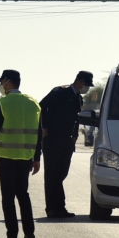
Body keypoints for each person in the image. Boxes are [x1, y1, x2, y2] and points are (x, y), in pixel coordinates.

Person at [0, 69, 42, 238]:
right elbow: (38, 133)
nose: (1, 86)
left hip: (7, 156)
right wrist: (37, 157)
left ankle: (12, 236)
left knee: (8, 197)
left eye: (2, 82)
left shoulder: (3, 103)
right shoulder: (33, 103)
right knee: (23, 194)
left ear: (9, 83)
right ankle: (30, 234)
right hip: (26, 157)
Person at [39, 70, 94, 218]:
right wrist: (44, 128)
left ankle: (59, 207)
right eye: (86, 84)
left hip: (67, 141)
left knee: (61, 173)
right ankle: (53, 208)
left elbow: (75, 120)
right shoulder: (59, 92)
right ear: (80, 81)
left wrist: (75, 137)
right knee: (52, 175)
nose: (86, 88)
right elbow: (41, 107)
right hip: (53, 139)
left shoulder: (77, 98)